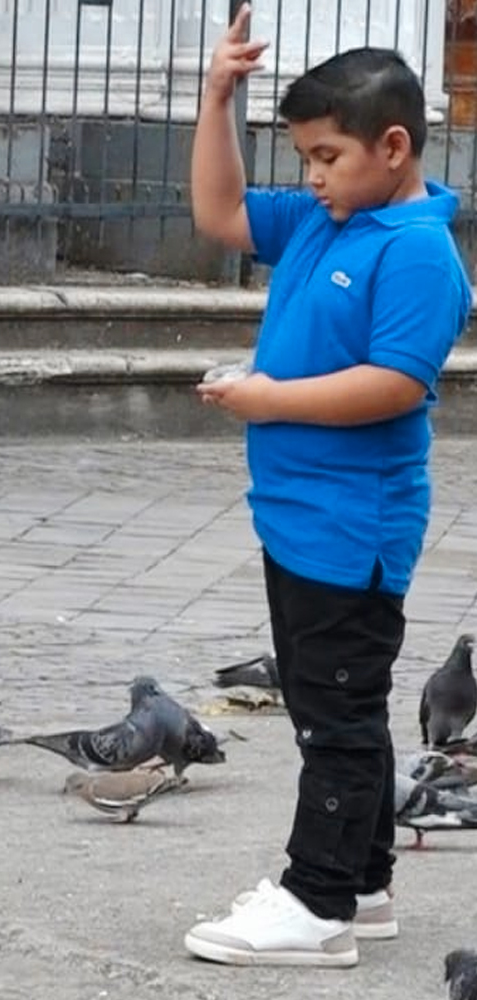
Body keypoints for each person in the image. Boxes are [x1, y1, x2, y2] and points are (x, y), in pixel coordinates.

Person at [184, 6, 473, 968]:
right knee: (337, 700)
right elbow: (220, 217)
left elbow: (395, 383)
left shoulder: (418, 252)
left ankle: (317, 907)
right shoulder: (324, 220)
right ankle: (369, 883)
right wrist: (217, 96)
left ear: (393, 147)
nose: (310, 175)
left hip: (356, 528)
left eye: (326, 155)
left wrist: (269, 398)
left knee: (334, 715)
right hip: (300, 518)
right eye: (303, 155)